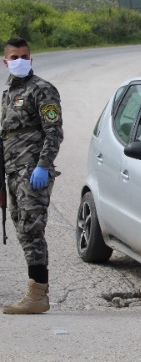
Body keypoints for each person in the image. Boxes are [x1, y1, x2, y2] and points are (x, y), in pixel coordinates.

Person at [1, 37, 64, 314]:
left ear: (31, 58)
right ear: (5, 61)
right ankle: (35, 291)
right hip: (13, 172)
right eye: (14, 57)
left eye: (24, 56)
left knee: (33, 229)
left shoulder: (43, 89)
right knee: (23, 230)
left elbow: (54, 131)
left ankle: (38, 295)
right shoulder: (7, 94)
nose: (19, 61)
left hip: (32, 171)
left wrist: (43, 165)